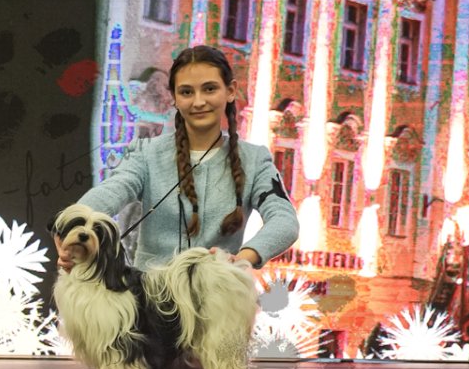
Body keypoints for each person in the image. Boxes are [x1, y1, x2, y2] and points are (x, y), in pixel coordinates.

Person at [55, 44, 299, 272]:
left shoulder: (255, 160)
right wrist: (71, 223)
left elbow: (284, 220)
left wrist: (243, 258)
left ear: (231, 91)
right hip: (149, 297)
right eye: (186, 92)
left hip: (220, 295)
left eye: (210, 89)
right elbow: (112, 191)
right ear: (175, 98)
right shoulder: (145, 152)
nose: (198, 101)